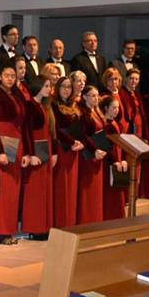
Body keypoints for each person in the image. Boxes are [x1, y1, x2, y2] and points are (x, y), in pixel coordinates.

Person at [0, 64, 28, 245]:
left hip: (16, 140)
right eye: (7, 75)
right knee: (3, 188)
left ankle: (9, 229)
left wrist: (26, 151)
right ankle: (0, 231)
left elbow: (23, 122)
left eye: (13, 75)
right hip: (3, 140)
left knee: (13, 188)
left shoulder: (16, 94)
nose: (10, 78)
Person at [21, 72, 57, 239]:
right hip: (36, 151)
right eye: (46, 86)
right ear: (38, 86)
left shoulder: (45, 106)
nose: (49, 89)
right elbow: (26, 131)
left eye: (50, 86)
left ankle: (45, 226)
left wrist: (53, 152)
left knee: (45, 190)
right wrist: (31, 154)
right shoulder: (29, 105)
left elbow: (51, 132)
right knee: (35, 191)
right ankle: (35, 227)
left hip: (46, 149)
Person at [52, 76, 83, 228]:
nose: (66, 90)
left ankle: (70, 221)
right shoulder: (54, 105)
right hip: (63, 148)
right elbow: (56, 129)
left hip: (74, 149)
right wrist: (72, 142)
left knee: (71, 187)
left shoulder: (74, 104)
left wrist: (79, 142)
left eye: (69, 87)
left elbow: (79, 127)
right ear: (58, 88)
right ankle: (61, 222)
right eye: (63, 86)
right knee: (62, 187)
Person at [77, 85, 106, 225]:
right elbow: (83, 135)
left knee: (96, 190)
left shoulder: (97, 111)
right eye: (93, 95)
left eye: (97, 95)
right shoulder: (82, 113)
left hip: (98, 155)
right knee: (88, 188)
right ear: (84, 97)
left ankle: (95, 218)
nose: (96, 98)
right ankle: (86, 219)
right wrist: (95, 150)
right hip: (88, 155)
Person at [100, 94, 128, 220]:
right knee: (110, 190)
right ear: (106, 108)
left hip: (118, 158)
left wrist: (123, 159)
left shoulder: (116, 123)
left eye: (117, 108)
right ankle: (110, 216)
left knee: (118, 189)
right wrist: (114, 161)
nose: (117, 110)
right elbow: (106, 146)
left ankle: (118, 216)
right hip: (110, 160)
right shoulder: (105, 124)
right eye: (114, 107)